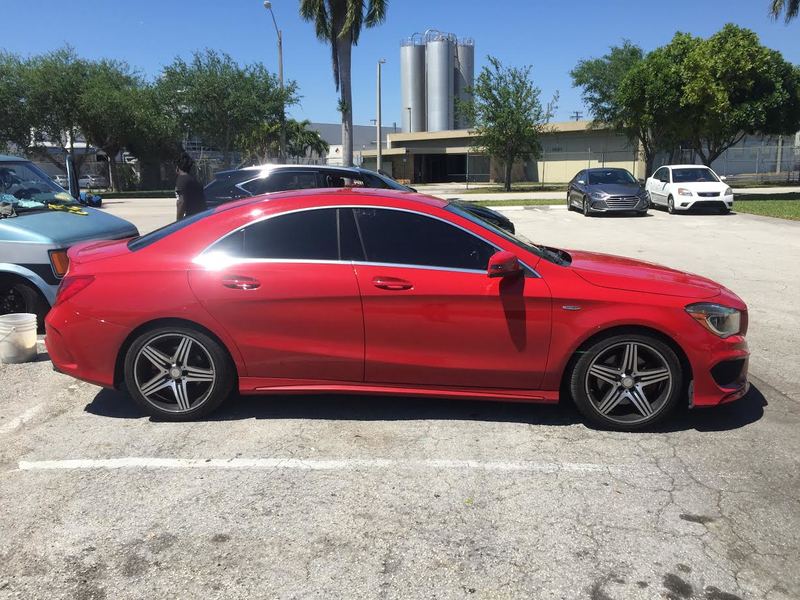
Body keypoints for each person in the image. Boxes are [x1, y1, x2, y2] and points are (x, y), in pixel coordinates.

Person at [174, 153, 206, 220]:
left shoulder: (181, 180)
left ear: (177, 167)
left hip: (190, 219)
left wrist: (178, 222)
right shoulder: (195, 181)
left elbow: (181, 202)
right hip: (200, 217)